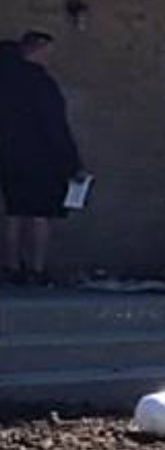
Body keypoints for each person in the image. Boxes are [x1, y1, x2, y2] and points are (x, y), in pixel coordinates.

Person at [0, 30, 84, 287]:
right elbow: (55, 126)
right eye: (47, 51)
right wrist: (72, 163)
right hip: (40, 157)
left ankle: (10, 268)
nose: (50, 57)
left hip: (7, 155)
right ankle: (36, 270)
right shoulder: (41, 83)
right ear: (35, 51)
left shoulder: (4, 79)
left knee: (13, 212)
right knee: (39, 214)